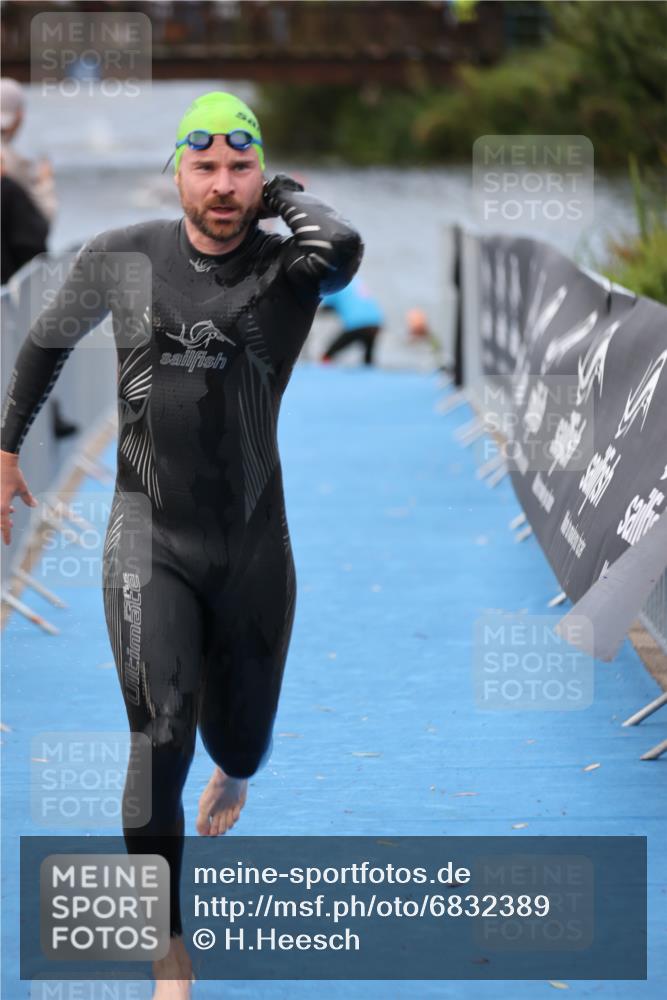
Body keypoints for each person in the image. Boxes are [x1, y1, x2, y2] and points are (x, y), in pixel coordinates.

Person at [0, 90, 362, 999]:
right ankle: (168, 948)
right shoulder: (123, 256)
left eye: (241, 167)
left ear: (261, 176)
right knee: (157, 732)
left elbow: (343, 247)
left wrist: (283, 194)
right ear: (177, 172)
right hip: (146, 534)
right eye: (204, 166)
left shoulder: (288, 271)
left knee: (237, 741)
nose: (223, 185)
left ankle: (235, 774)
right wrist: (5, 447)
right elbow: (42, 345)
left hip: (252, 548)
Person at [320, 273, 384, 365]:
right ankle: (369, 375)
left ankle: (323, 374)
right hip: (375, 322)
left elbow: (327, 308)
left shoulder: (334, 284)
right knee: (368, 359)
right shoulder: (356, 280)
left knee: (327, 355)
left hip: (357, 323)